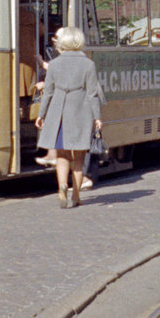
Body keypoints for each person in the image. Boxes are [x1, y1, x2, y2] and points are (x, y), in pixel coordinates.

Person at [35, 26, 103, 208]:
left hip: (59, 114)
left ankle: (62, 187)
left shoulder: (55, 64)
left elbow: (48, 92)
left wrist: (41, 115)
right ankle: (76, 196)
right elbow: (92, 94)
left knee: (62, 155)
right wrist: (97, 117)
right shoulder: (88, 64)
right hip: (80, 113)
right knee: (79, 157)